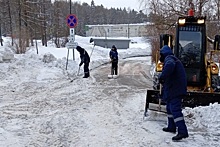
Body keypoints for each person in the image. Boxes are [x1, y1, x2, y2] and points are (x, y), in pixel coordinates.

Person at [159, 45, 189, 141]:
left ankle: (182, 132)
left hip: (176, 89)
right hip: (172, 89)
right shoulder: (171, 59)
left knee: (175, 109)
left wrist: (162, 76)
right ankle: (171, 127)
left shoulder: (170, 59)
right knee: (169, 108)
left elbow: (169, 66)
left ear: (163, 54)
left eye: (161, 54)